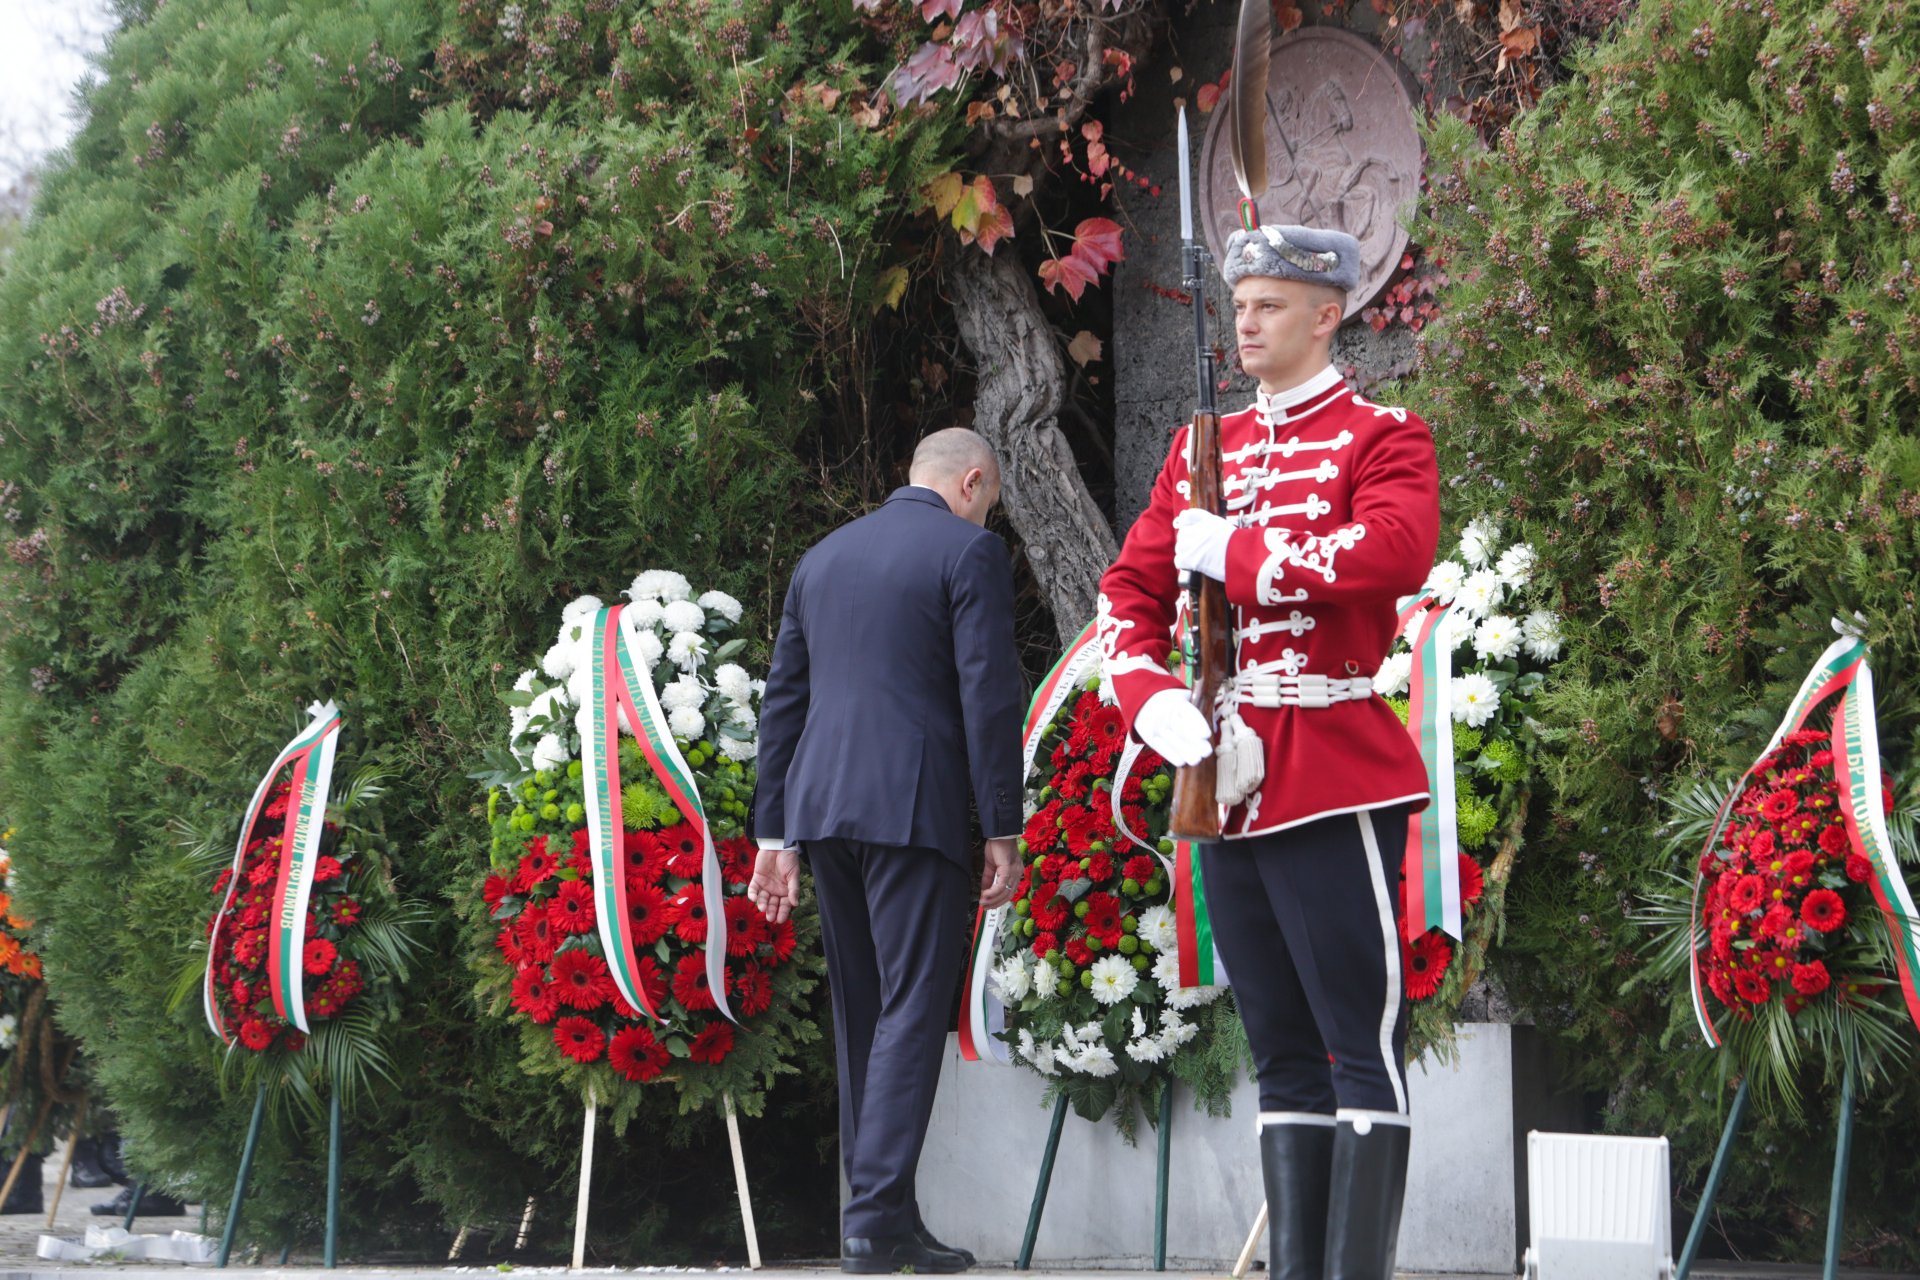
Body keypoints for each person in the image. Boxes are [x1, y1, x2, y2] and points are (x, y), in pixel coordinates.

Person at [1095, 224, 1439, 1280]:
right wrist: (1151, 700)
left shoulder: (1385, 435)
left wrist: (1238, 551)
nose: (1245, 320)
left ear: (1327, 314)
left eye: (1271, 304)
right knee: (1281, 1049)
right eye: (1239, 303)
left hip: (1331, 765)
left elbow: (1390, 549)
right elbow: (1128, 598)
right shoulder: (1208, 449)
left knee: (1355, 1040)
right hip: (1225, 776)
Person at [749, 428, 1025, 1276]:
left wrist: (774, 833)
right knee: (911, 1004)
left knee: (865, 1011)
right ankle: (873, 1221)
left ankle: (887, 1219)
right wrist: (1003, 826)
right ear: (973, 482)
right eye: (993, 500)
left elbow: (783, 700)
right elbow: (988, 694)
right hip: (915, 808)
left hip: (823, 808)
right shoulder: (969, 553)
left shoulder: (822, 558)